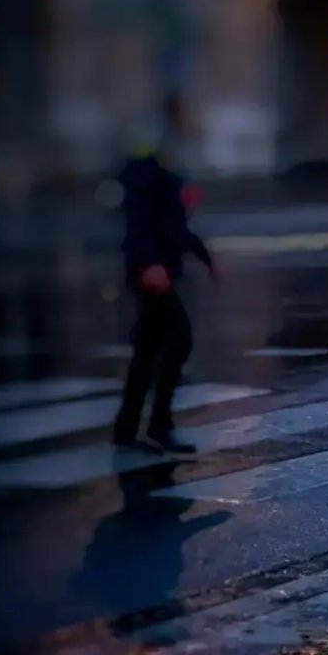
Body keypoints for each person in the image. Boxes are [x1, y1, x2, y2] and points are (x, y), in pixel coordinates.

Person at [112, 136, 219, 454]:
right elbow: (139, 223)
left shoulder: (163, 173)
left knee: (146, 351)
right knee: (177, 339)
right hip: (153, 274)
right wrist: (149, 264)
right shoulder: (147, 174)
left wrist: (206, 258)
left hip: (158, 271)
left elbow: (175, 226)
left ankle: (128, 427)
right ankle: (158, 424)